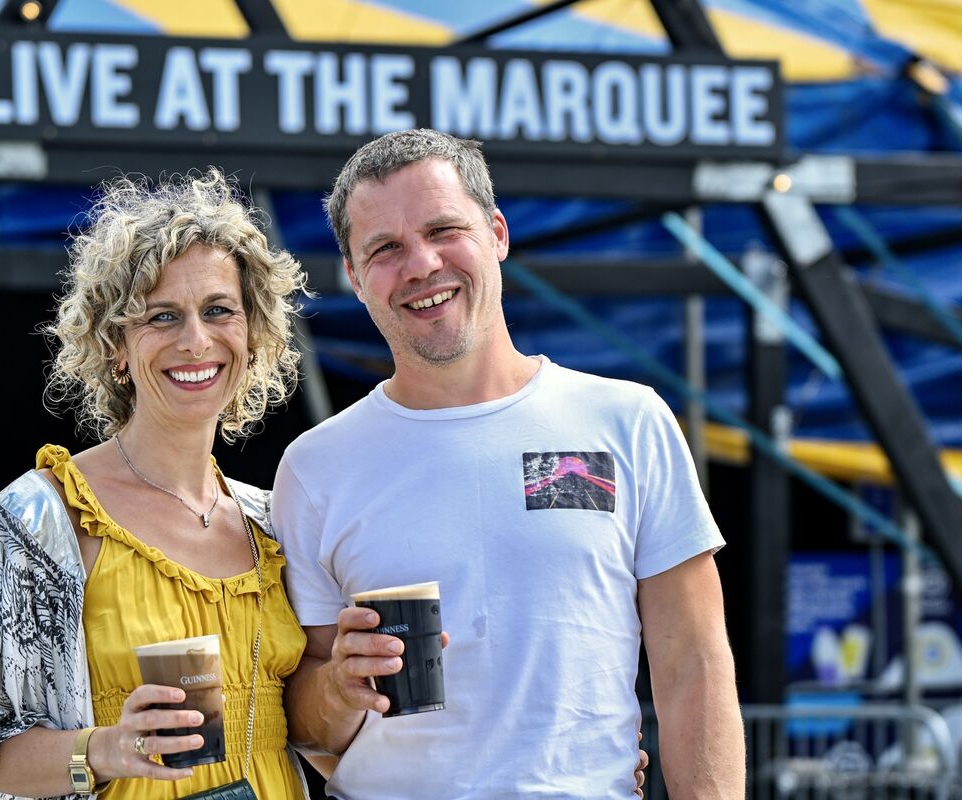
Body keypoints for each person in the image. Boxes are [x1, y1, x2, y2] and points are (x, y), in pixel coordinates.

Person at [272, 129, 746, 798]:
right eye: (385, 249)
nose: (421, 264)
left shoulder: (626, 422)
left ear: (496, 232)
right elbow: (312, 728)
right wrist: (339, 686)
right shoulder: (316, 468)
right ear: (353, 276)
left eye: (444, 229)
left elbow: (694, 667)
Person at [0, 170, 315, 799]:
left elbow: (300, 729)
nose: (196, 340)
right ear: (117, 344)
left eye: (218, 310)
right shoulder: (38, 522)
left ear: (252, 335)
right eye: (162, 317)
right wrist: (110, 748)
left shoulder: (273, 522)